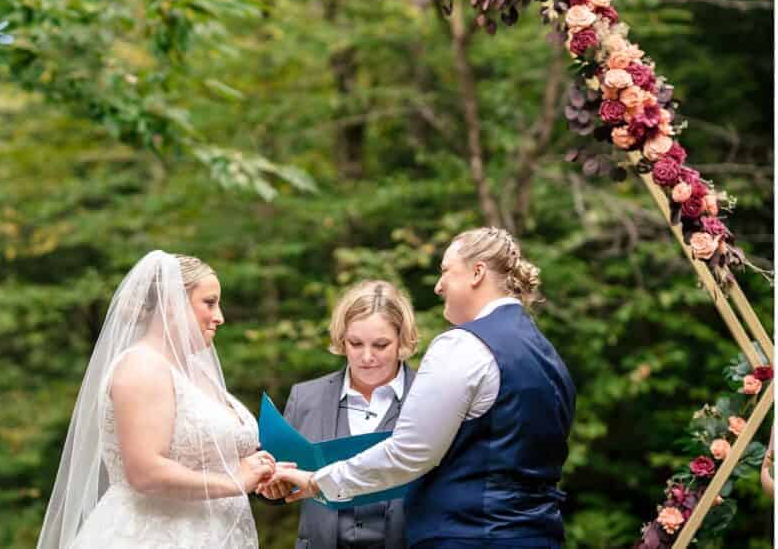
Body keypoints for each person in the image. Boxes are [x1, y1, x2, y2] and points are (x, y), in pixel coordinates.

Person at [271, 228, 576, 549]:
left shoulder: (463, 345)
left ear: (477, 273)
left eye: (445, 271)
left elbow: (409, 453)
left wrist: (317, 482)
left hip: (468, 537)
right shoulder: (548, 356)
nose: (438, 285)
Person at [36, 251, 273, 549]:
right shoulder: (142, 367)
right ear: (171, 304)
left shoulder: (195, 372)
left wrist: (266, 472)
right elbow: (145, 471)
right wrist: (236, 482)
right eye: (209, 303)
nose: (220, 317)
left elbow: (213, 455)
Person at [264, 280, 420, 549]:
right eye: (356, 343)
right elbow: (277, 477)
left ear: (401, 341)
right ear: (342, 340)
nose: (366, 356)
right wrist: (272, 488)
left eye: (381, 345)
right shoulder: (306, 398)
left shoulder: (428, 397)